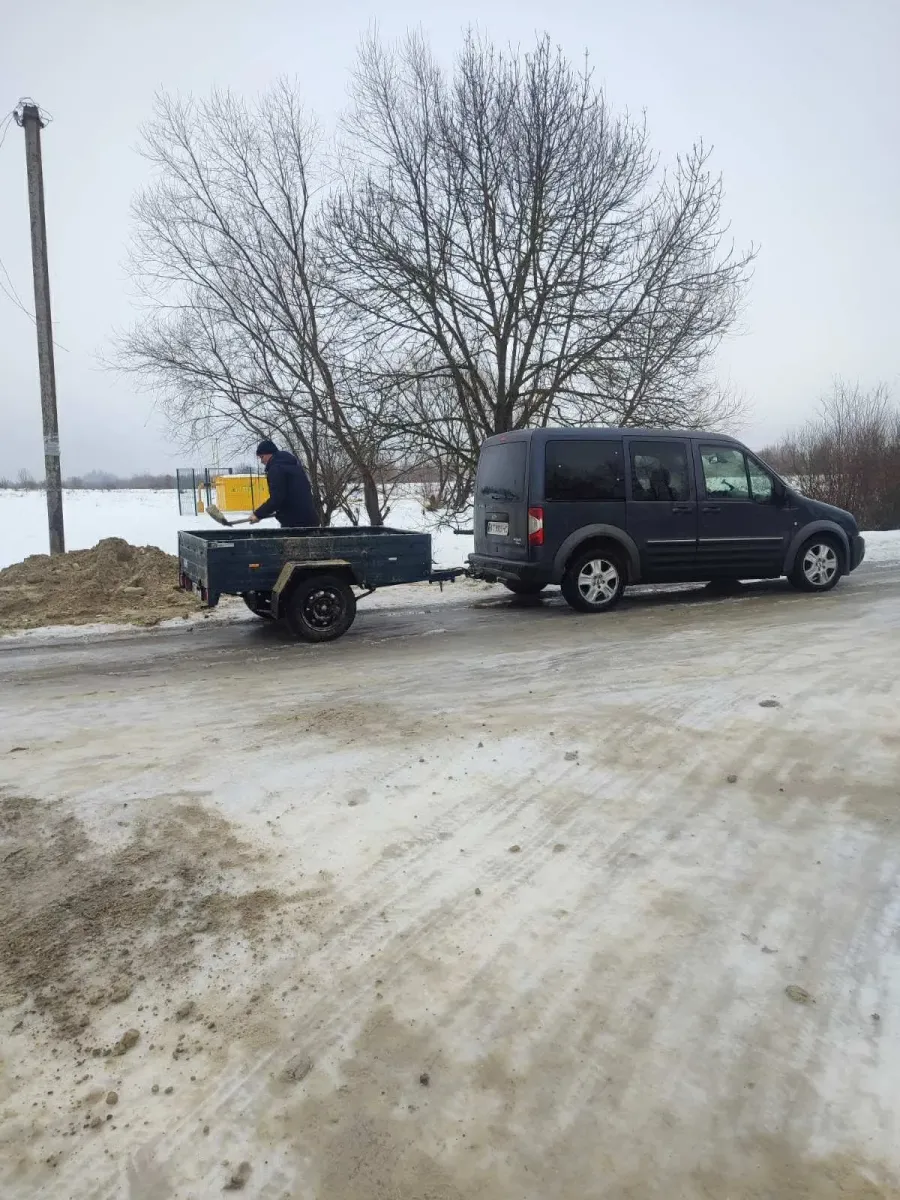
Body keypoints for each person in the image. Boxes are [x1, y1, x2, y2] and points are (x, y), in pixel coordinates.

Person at [248, 439, 319, 527]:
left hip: (294, 524)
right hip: (310, 519)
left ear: (269, 454)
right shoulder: (295, 466)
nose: (261, 461)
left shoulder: (276, 469)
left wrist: (258, 514)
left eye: (262, 457)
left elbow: (277, 499)